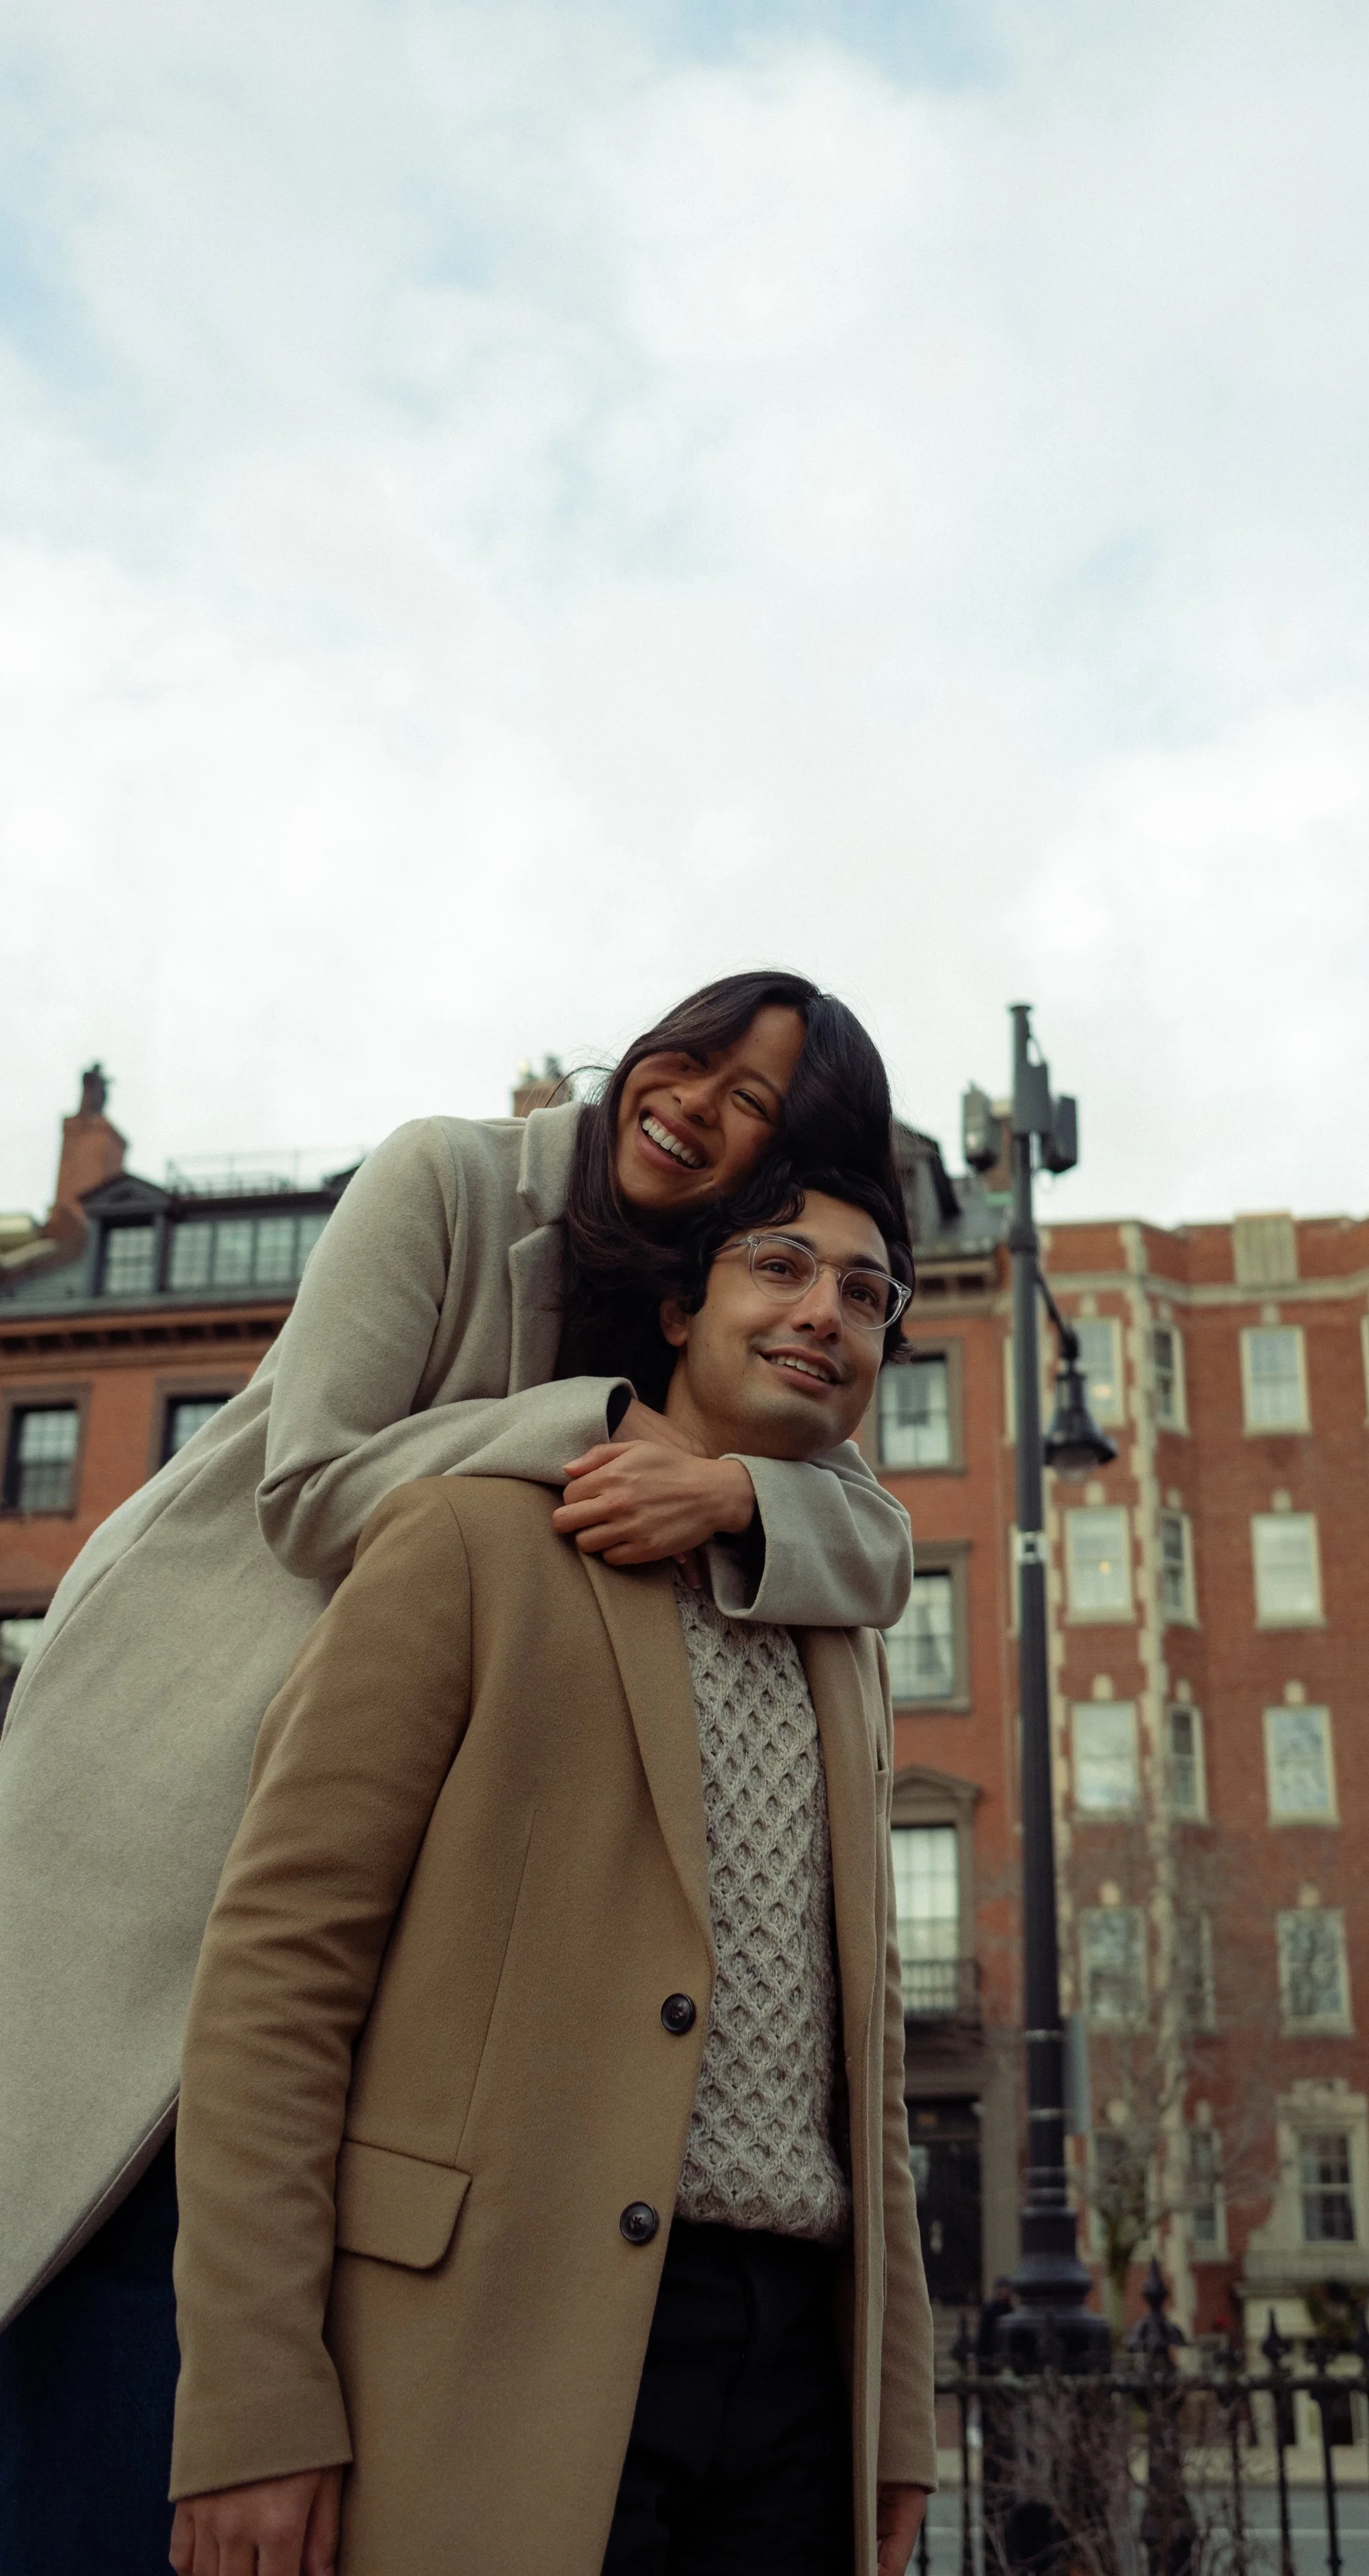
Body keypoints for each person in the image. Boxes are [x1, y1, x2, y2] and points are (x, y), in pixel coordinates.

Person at [0, 972, 915, 2575]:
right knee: (110, 2325)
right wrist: (618, 1424)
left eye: (755, 1104)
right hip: (190, 1764)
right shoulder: (445, 1178)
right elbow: (311, 1493)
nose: (696, 1102)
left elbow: (868, 1533)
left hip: (437, 1830)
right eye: (692, 1058)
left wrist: (728, 1494)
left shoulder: (718, 1298)